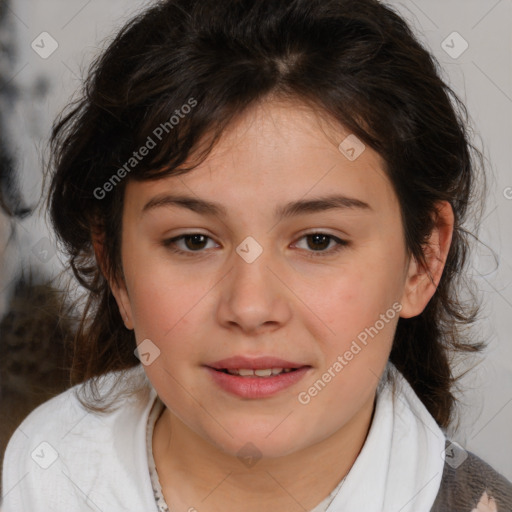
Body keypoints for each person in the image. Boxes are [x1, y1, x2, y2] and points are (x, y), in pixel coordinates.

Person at [2, 0, 511, 510]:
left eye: (319, 241)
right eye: (193, 241)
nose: (250, 308)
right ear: (114, 267)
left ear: (422, 260)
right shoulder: (38, 472)